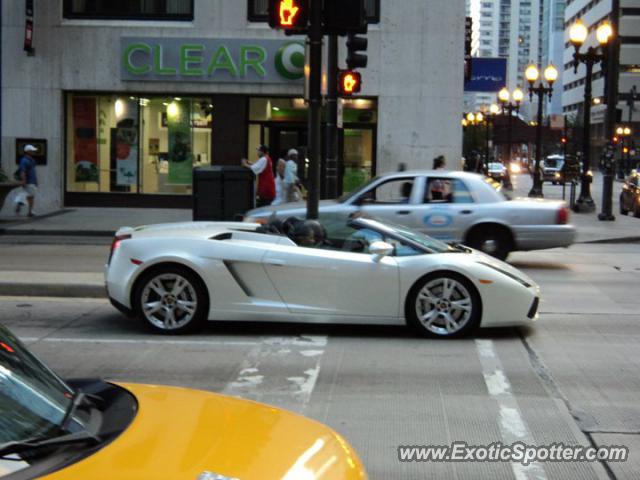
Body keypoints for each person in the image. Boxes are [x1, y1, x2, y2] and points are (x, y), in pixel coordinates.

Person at [16, 144, 38, 217]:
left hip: (32, 181)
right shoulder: (24, 161)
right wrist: (24, 181)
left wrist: (36, 181)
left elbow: (33, 171)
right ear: (28, 151)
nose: (34, 152)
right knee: (31, 196)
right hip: (29, 181)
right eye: (32, 150)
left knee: (26, 194)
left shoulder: (32, 160)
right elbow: (23, 171)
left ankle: (19, 202)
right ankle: (30, 212)